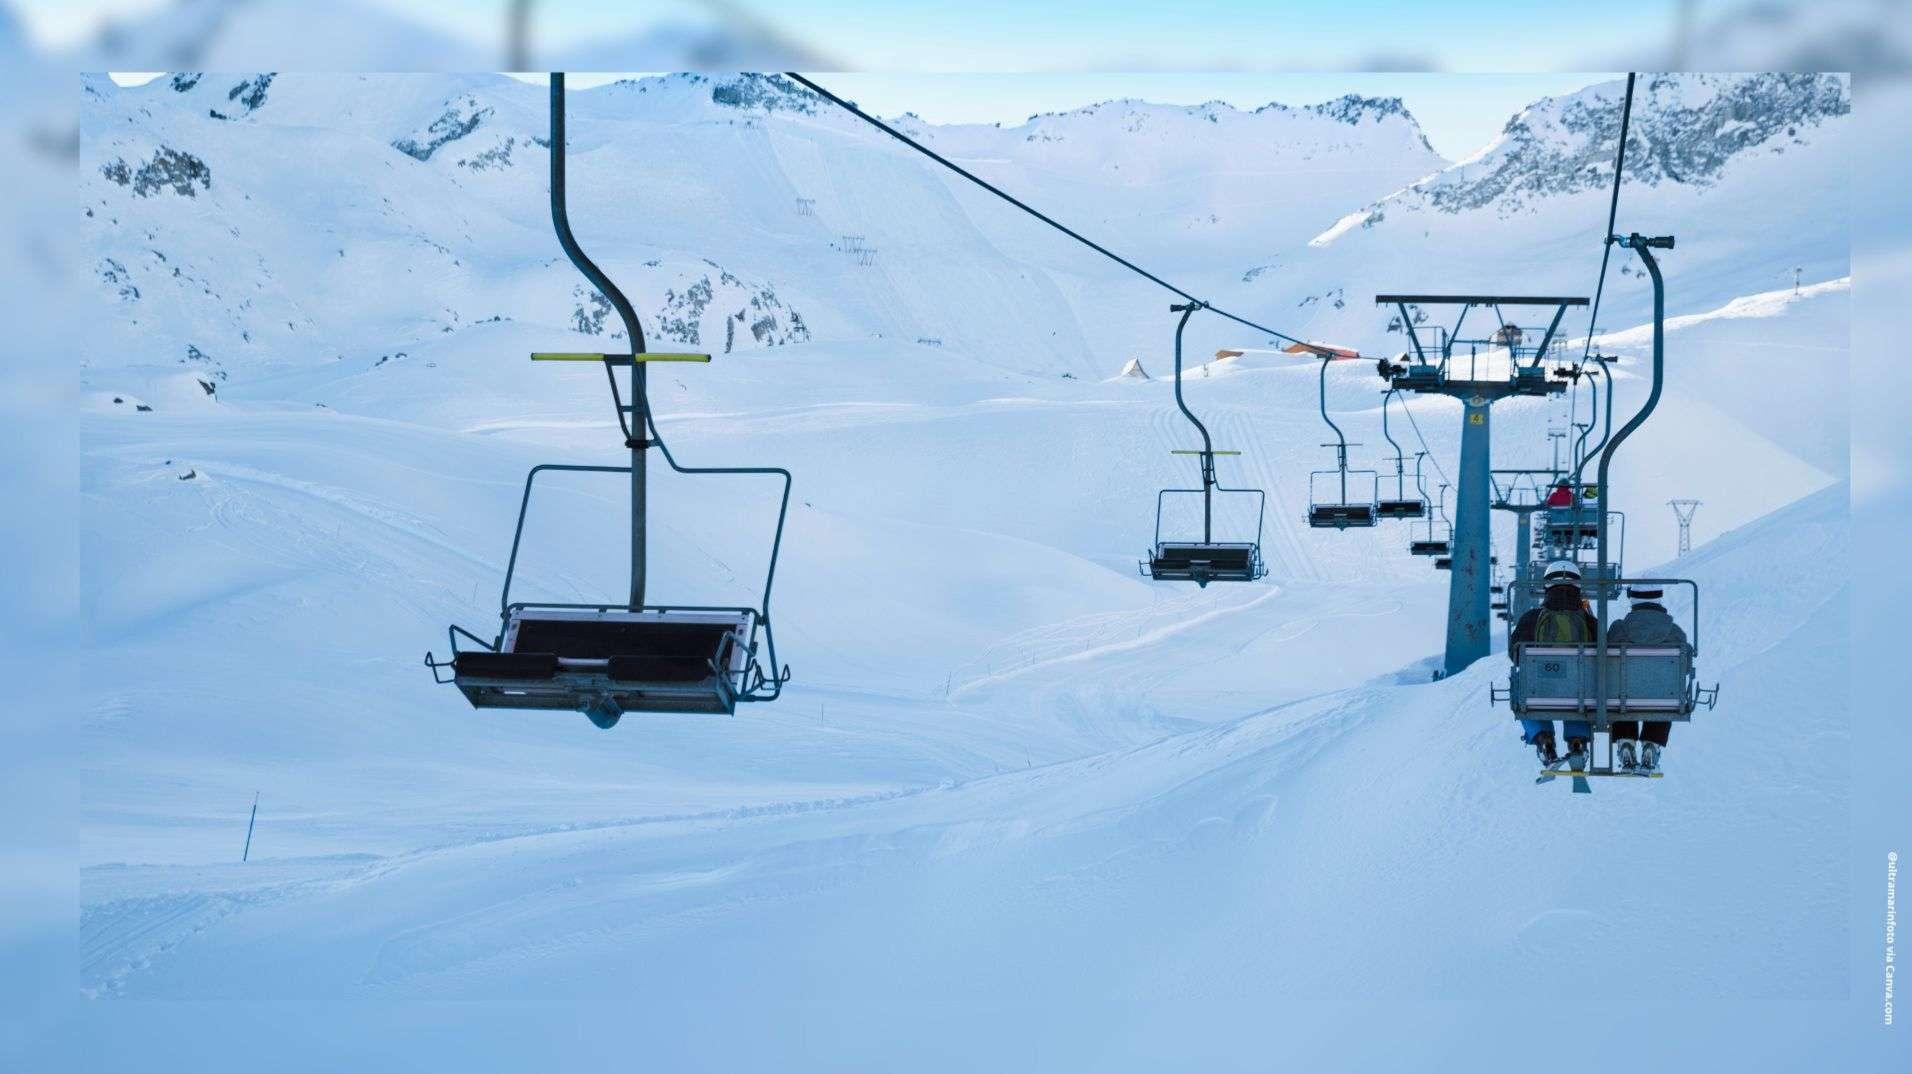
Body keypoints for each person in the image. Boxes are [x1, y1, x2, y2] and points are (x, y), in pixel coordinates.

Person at [1509, 560, 1601, 766]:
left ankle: (1544, 740)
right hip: (1580, 694)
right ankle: (1577, 742)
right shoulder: (1589, 622)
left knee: (1524, 692)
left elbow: (1515, 653)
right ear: (1578, 587)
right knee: (1580, 691)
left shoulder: (1532, 618)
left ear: (1547, 587)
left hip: (1541, 691)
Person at [1605, 587, 1691, 772]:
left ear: (1632, 600)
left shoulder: (1617, 629)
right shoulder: (1675, 633)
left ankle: (1626, 742)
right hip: (1663, 700)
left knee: (1621, 690)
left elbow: (1606, 663)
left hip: (1622, 699)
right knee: (1665, 693)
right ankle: (1651, 744)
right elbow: (1683, 668)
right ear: (1659, 599)